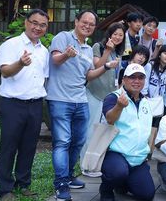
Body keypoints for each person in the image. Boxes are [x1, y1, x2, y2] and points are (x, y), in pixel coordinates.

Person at [47, 10, 109, 201]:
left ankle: (69, 175)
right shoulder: (63, 37)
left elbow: (88, 76)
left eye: (91, 24)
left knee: (79, 141)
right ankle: (61, 184)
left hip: (80, 100)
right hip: (59, 99)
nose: (88, 26)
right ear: (76, 21)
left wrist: (106, 67)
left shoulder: (88, 49)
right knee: (62, 142)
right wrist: (66, 54)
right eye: (85, 22)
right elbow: (54, 60)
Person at [0, 9, 49, 201]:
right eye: (34, 22)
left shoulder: (44, 51)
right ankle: (5, 190)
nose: (37, 27)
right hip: (13, 104)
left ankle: (23, 183)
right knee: (8, 146)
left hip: (35, 104)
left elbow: (44, 77)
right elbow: (6, 72)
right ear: (26, 22)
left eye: (42, 25)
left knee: (29, 146)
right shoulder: (11, 45)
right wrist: (20, 63)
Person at [100, 63, 155, 201]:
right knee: (117, 172)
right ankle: (106, 189)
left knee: (147, 195)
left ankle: (122, 184)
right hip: (116, 153)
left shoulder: (145, 101)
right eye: (132, 77)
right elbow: (110, 119)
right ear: (124, 79)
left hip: (138, 158)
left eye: (140, 78)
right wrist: (119, 106)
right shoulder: (113, 97)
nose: (136, 81)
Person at [82, 22, 125, 177]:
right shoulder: (98, 47)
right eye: (115, 34)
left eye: (121, 35)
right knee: (89, 131)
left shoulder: (118, 52)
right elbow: (97, 66)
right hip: (95, 94)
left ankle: (96, 163)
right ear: (109, 34)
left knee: (103, 132)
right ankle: (85, 166)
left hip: (109, 97)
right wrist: (107, 50)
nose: (118, 37)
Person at [143, 44, 166, 151]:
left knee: (162, 119)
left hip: (161, 102)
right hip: (147, 99)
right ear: (159, 55)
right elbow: (145, 82)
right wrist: (144, 96)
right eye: (165, 53)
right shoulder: (149, 66)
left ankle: (150, 148)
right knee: (150, 122)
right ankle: (147, 148)